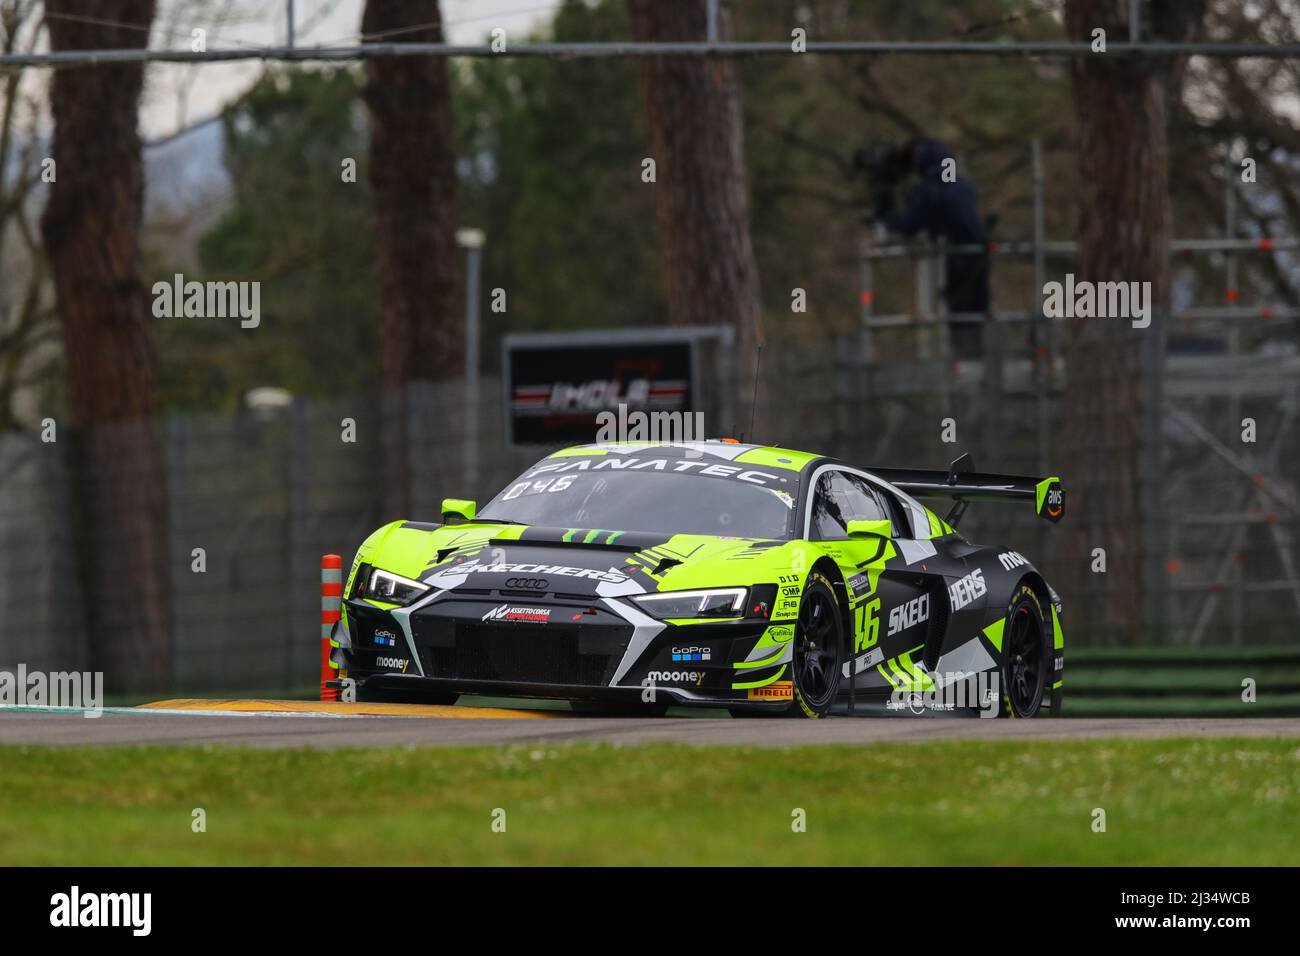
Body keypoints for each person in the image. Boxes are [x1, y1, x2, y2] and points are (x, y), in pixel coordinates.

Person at [874, 139, 990, 359]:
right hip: (979, 258)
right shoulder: (960, 181)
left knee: (962, 322)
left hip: (960, 263)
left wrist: (885, 215)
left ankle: (967, 372)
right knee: (975, 318)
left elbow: (908, 225)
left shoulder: (933, 188)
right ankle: (977, 369)